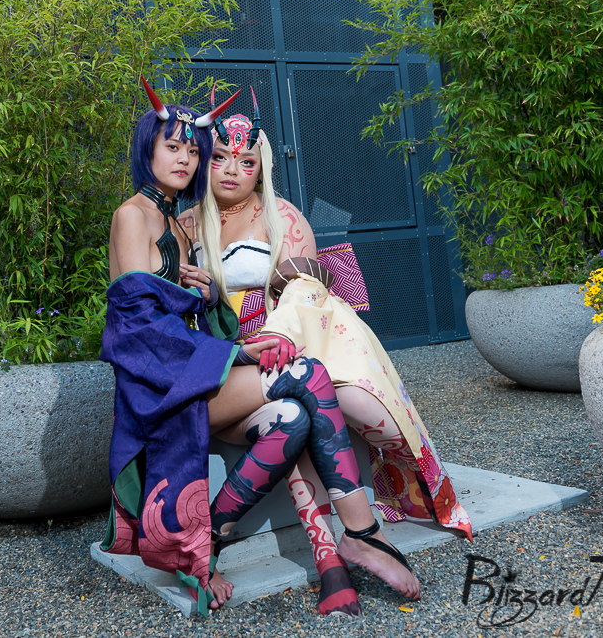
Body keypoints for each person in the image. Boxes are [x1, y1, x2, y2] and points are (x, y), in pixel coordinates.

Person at [99, 78, 417, 619]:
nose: (185, 159)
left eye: (190, 150)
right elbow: (138, 331)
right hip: (162, 389)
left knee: (292, 418)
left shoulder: (177, 221)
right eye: (171, 147)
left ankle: (212, 540)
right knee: (307, 374)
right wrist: (236, 355)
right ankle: (362, 533)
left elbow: (180, 308)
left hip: (196, 375)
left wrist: (203, 296)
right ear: (145, 149)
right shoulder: (134, 215)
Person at [178, 89, 472, 617]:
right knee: (296, 388)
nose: (232, 170)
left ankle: (332, 563)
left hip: (284, 348)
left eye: (247, 161)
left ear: (263, 168)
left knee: (296, 406)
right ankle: (355, 538)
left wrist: (274, 335)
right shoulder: (183, 227)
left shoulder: (284, 219)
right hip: (218, 369)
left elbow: (305, 299)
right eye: (219, 157)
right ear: (204, 160)